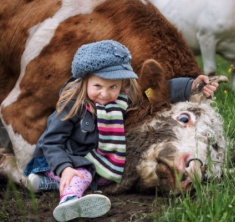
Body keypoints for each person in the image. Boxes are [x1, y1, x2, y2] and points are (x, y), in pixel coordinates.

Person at [24, 40, 219, 221]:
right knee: (83, 175)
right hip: (62, 158)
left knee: (103, 178)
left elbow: (159, 90)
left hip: (88, 157)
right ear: (84, 81)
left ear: (122, 85)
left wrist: (190, 86)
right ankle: (69, 202)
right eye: (98, 86)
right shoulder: (72, 106)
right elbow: (51, 142)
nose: (105, 94)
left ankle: (45, 183)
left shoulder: (119, 101)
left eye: (113, 86)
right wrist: (65, 168)